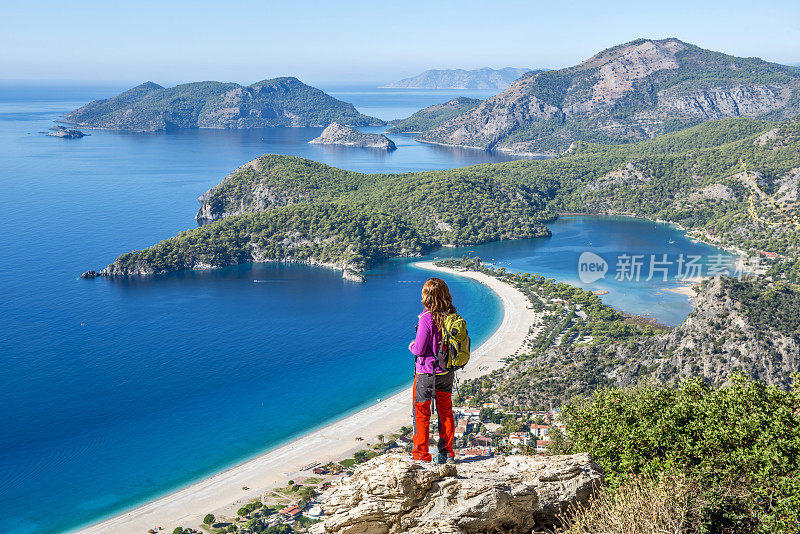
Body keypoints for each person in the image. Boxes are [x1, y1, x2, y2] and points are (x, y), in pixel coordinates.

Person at [408, 277, 456, 464]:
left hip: (426, 374)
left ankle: (422, 456)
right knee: (446, 412)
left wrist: (411, 345)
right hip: (446, 372)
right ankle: (447, 453)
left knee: (421, 413)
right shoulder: (452, 316)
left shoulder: (427, 318)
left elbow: (419, 349)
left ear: (426, 296)